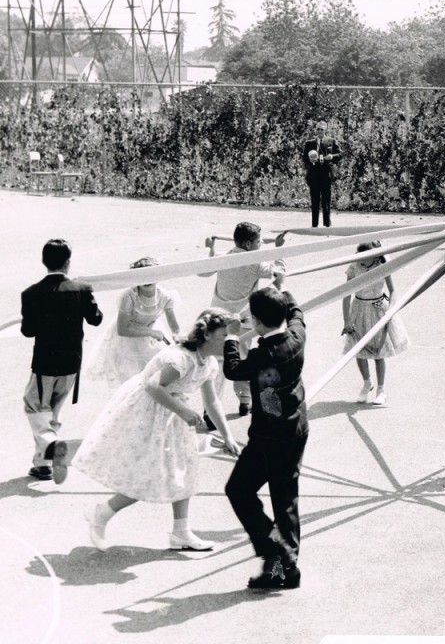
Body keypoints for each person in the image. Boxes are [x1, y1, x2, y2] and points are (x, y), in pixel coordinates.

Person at [77, 309, 241, 551]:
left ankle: (181, 533)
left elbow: (212, 400)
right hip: (147, 411)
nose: (227, 341)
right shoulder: (181, 359)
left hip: (172, 412)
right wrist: (184, 412)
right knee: (149, 473)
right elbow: (154, 387)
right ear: (206, 334)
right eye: (223, 335)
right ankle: (102, 512)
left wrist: (227, 436)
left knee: (184, 468)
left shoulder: (209, 363)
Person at [223, 284, 309, 590]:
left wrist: (232, 335)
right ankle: (285, 565)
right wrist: (283, 287)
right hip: (295, 429)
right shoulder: (297, 336)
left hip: (267, 438)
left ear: (257, 322)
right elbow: (297, 312)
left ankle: (279, 554)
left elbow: (233, 369)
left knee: (238, 489)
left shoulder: (263, 354)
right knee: (284, 500)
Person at [20, 239, 104, 482]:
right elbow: (96, 319)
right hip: (71, 362)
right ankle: (42, 464)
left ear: (44, 262)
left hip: (45, 361)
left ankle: (51, 444)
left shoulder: (32, 293)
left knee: (35, 406)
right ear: (68, 262)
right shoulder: (82, 288)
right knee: (53, 412)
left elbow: (28, 331)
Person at [201, 221, 286, 416]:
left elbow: (203, 271)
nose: (261, 244)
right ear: (248, 244)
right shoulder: (255, 263)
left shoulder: (223, 258)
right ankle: (245, 400)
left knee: (218, 363)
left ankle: (210, 409)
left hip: (219, 319)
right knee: (243, 360)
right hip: (243, 321)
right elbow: (279, 272)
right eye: (258, 242)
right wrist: (279, 250)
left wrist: (211, 250)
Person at [87, 257, 181, 390]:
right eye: (141, 276)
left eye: (149, 276)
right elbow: (122, 329)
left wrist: (179, 340)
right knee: (132, 382)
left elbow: (174, 326)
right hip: (127, 339)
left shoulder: (165, 296)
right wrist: (152, 332)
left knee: (155, 375)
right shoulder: (129, 297)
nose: (146, 281)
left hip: (151, 337)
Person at [342, 240, 410, 406]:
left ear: (373, 256)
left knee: (378, 352)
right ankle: (367, 383)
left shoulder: (382, 265)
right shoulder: (353, 267)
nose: (360, 261)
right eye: (358, 257)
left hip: (378, 310)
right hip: (358, 309)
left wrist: (390, 311)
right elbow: (345, 294)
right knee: (358, 350)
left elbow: (393, 291)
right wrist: (347, 320)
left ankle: (381, 390)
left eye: (364, 258)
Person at [302, 119, 341, 228]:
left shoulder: (331, 141)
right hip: (314, 175)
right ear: (315, 130)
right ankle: (314, 225)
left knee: (326, 201)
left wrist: (332, 156)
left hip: (326, 175)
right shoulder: (309, 143)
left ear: (325, 130)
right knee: (315, 201)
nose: (319, 131)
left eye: (322, 129)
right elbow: (304, 158)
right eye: (318, 129)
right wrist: (310, 160)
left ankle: (327, 224)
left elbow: (340, 154)